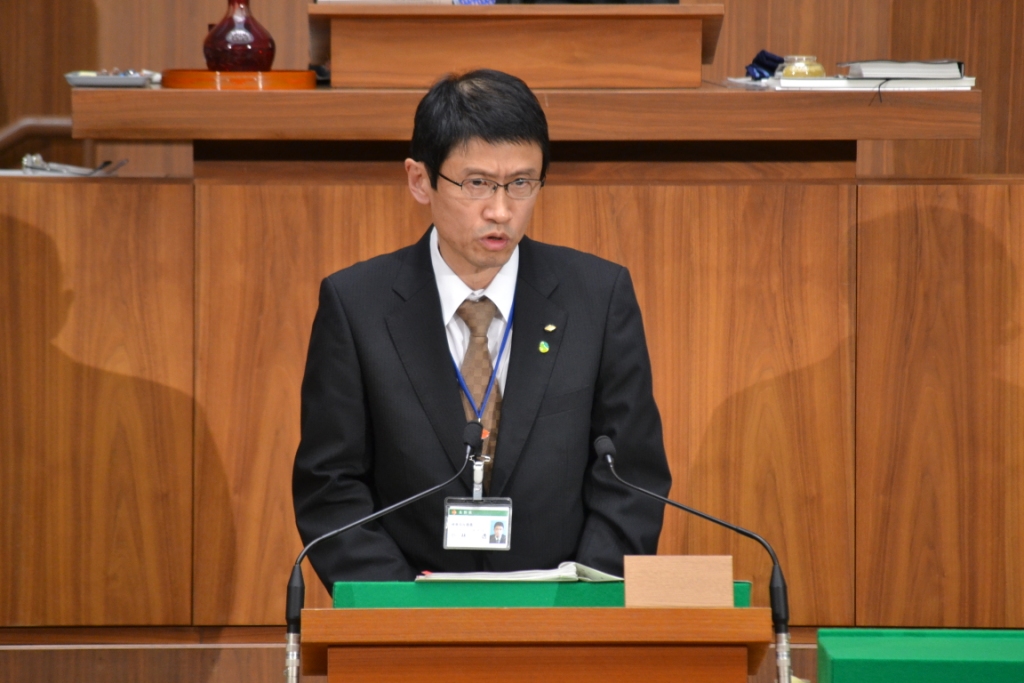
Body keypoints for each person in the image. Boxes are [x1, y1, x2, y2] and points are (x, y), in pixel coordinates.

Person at [293, 69, 671, 589]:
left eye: (521, 183)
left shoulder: (597, 298)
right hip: (407, 617)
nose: (501, 210)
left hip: (563, 613)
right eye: (476, 184)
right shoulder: (357, 305)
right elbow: (331, 488)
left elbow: (632, 477)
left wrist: (581, 601)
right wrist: (405, 612)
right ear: (420, 180)